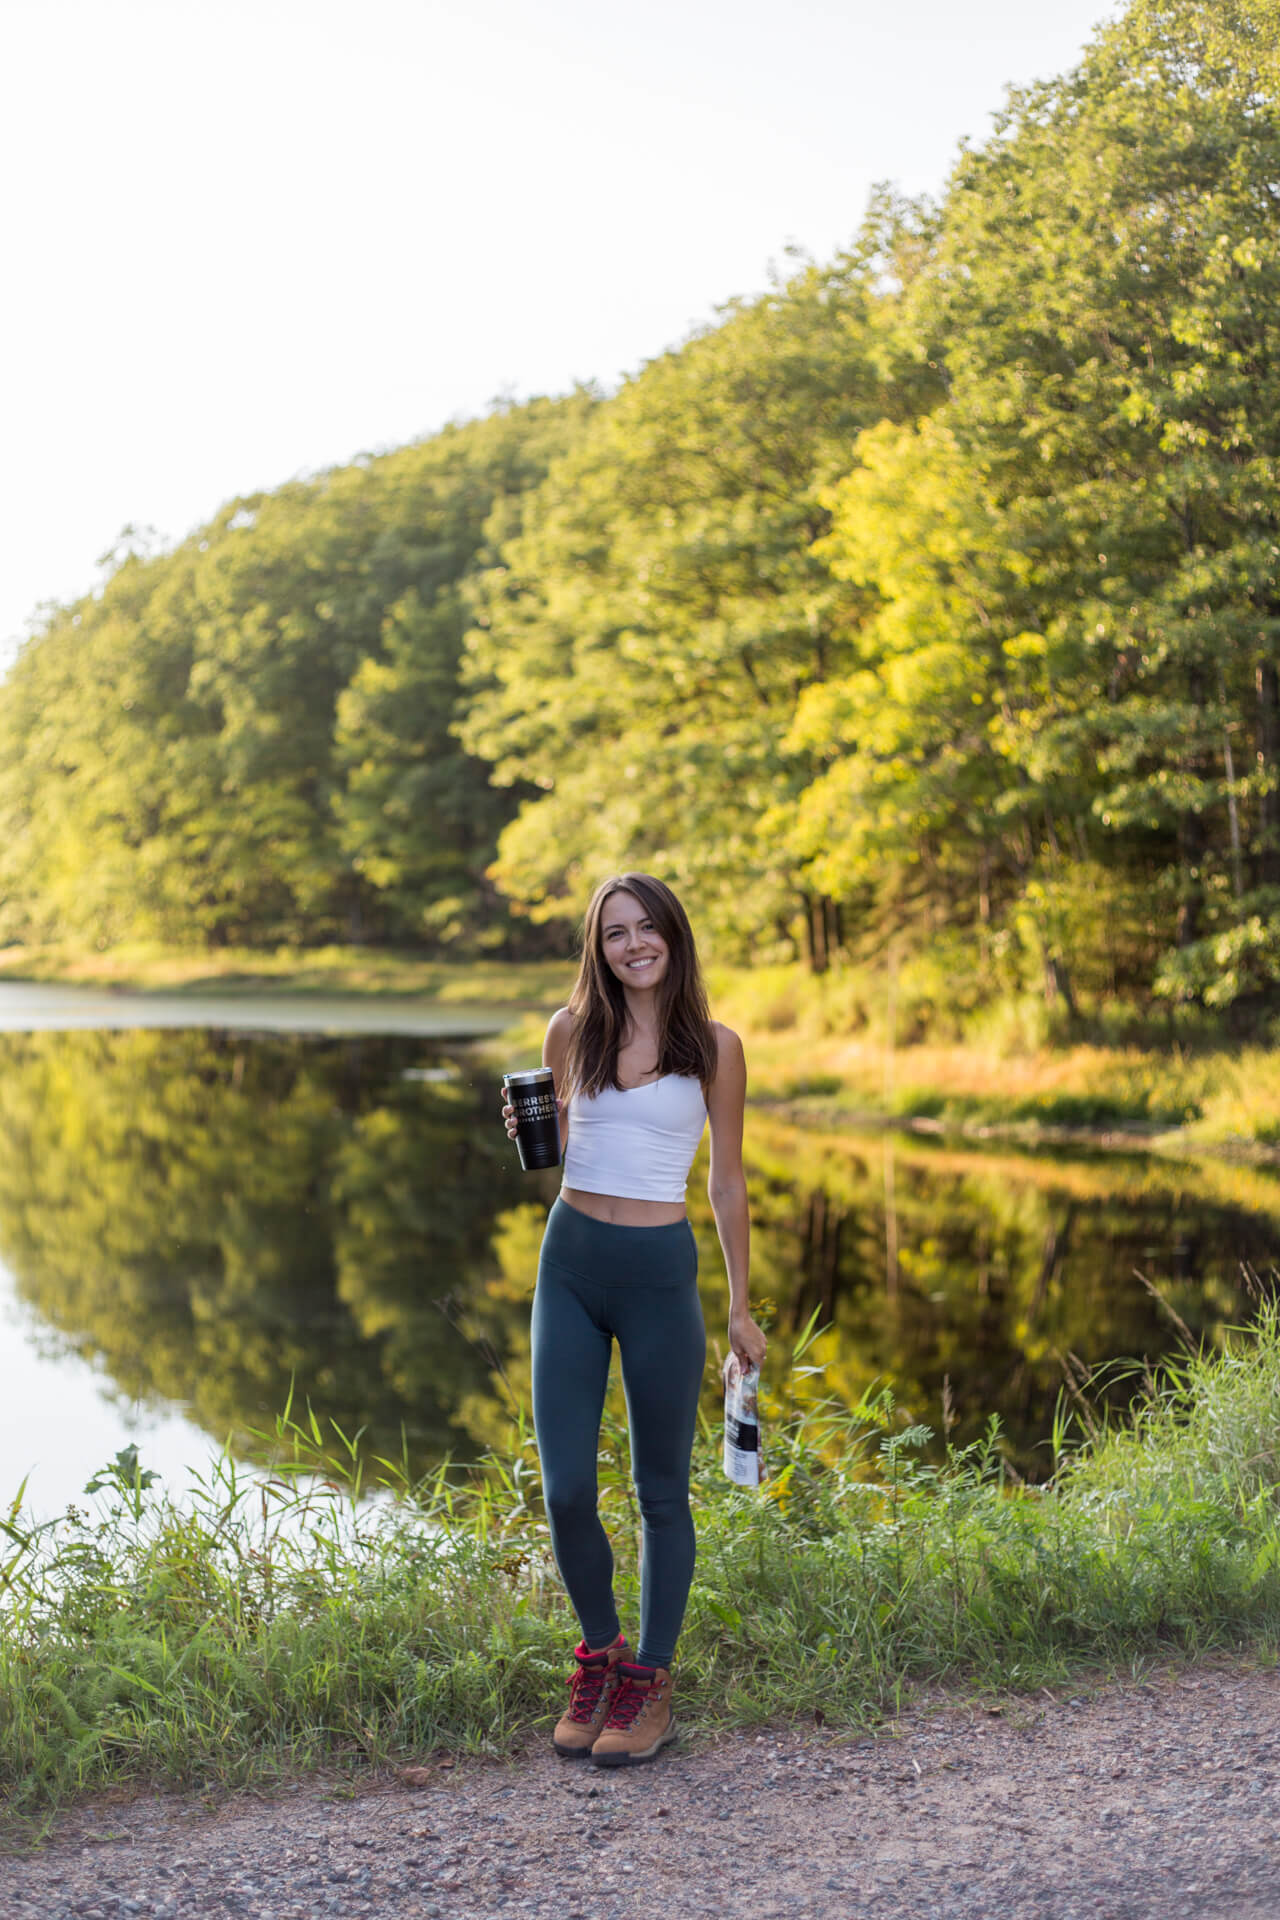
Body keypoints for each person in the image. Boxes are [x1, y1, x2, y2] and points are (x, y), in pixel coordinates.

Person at [501, 872, 768, 1767]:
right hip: (571, 1260)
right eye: (616, 932)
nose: (633, 944)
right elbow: (572, 1150)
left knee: (662, 1491)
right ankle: (601, 1656)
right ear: (598, 947)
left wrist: (739, 1306)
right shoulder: (570, 1030)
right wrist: (529, 1130)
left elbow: (725, 1181)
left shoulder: (716, 1048)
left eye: (647, 927)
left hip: (660, 1273)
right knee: (566, 1486)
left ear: (673, 937)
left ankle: (649, 1685)